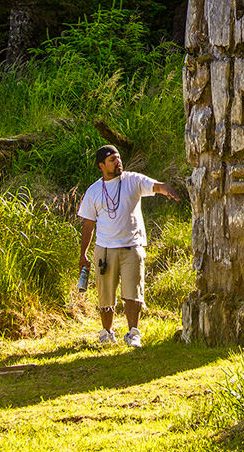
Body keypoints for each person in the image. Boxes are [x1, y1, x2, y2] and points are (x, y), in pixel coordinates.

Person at [76, 144, 179, 347]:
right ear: (101, 166)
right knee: (106, 295)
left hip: (132, 246)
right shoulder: (94, 191)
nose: (118, 162)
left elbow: (154, 186)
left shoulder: (132, 180)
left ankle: (133, 333)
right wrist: (83, 255)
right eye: (112, 160)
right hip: (105, 249)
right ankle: (107, 333)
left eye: (118, 158)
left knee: (133, 293)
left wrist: (165, 188)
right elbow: (88, 226)